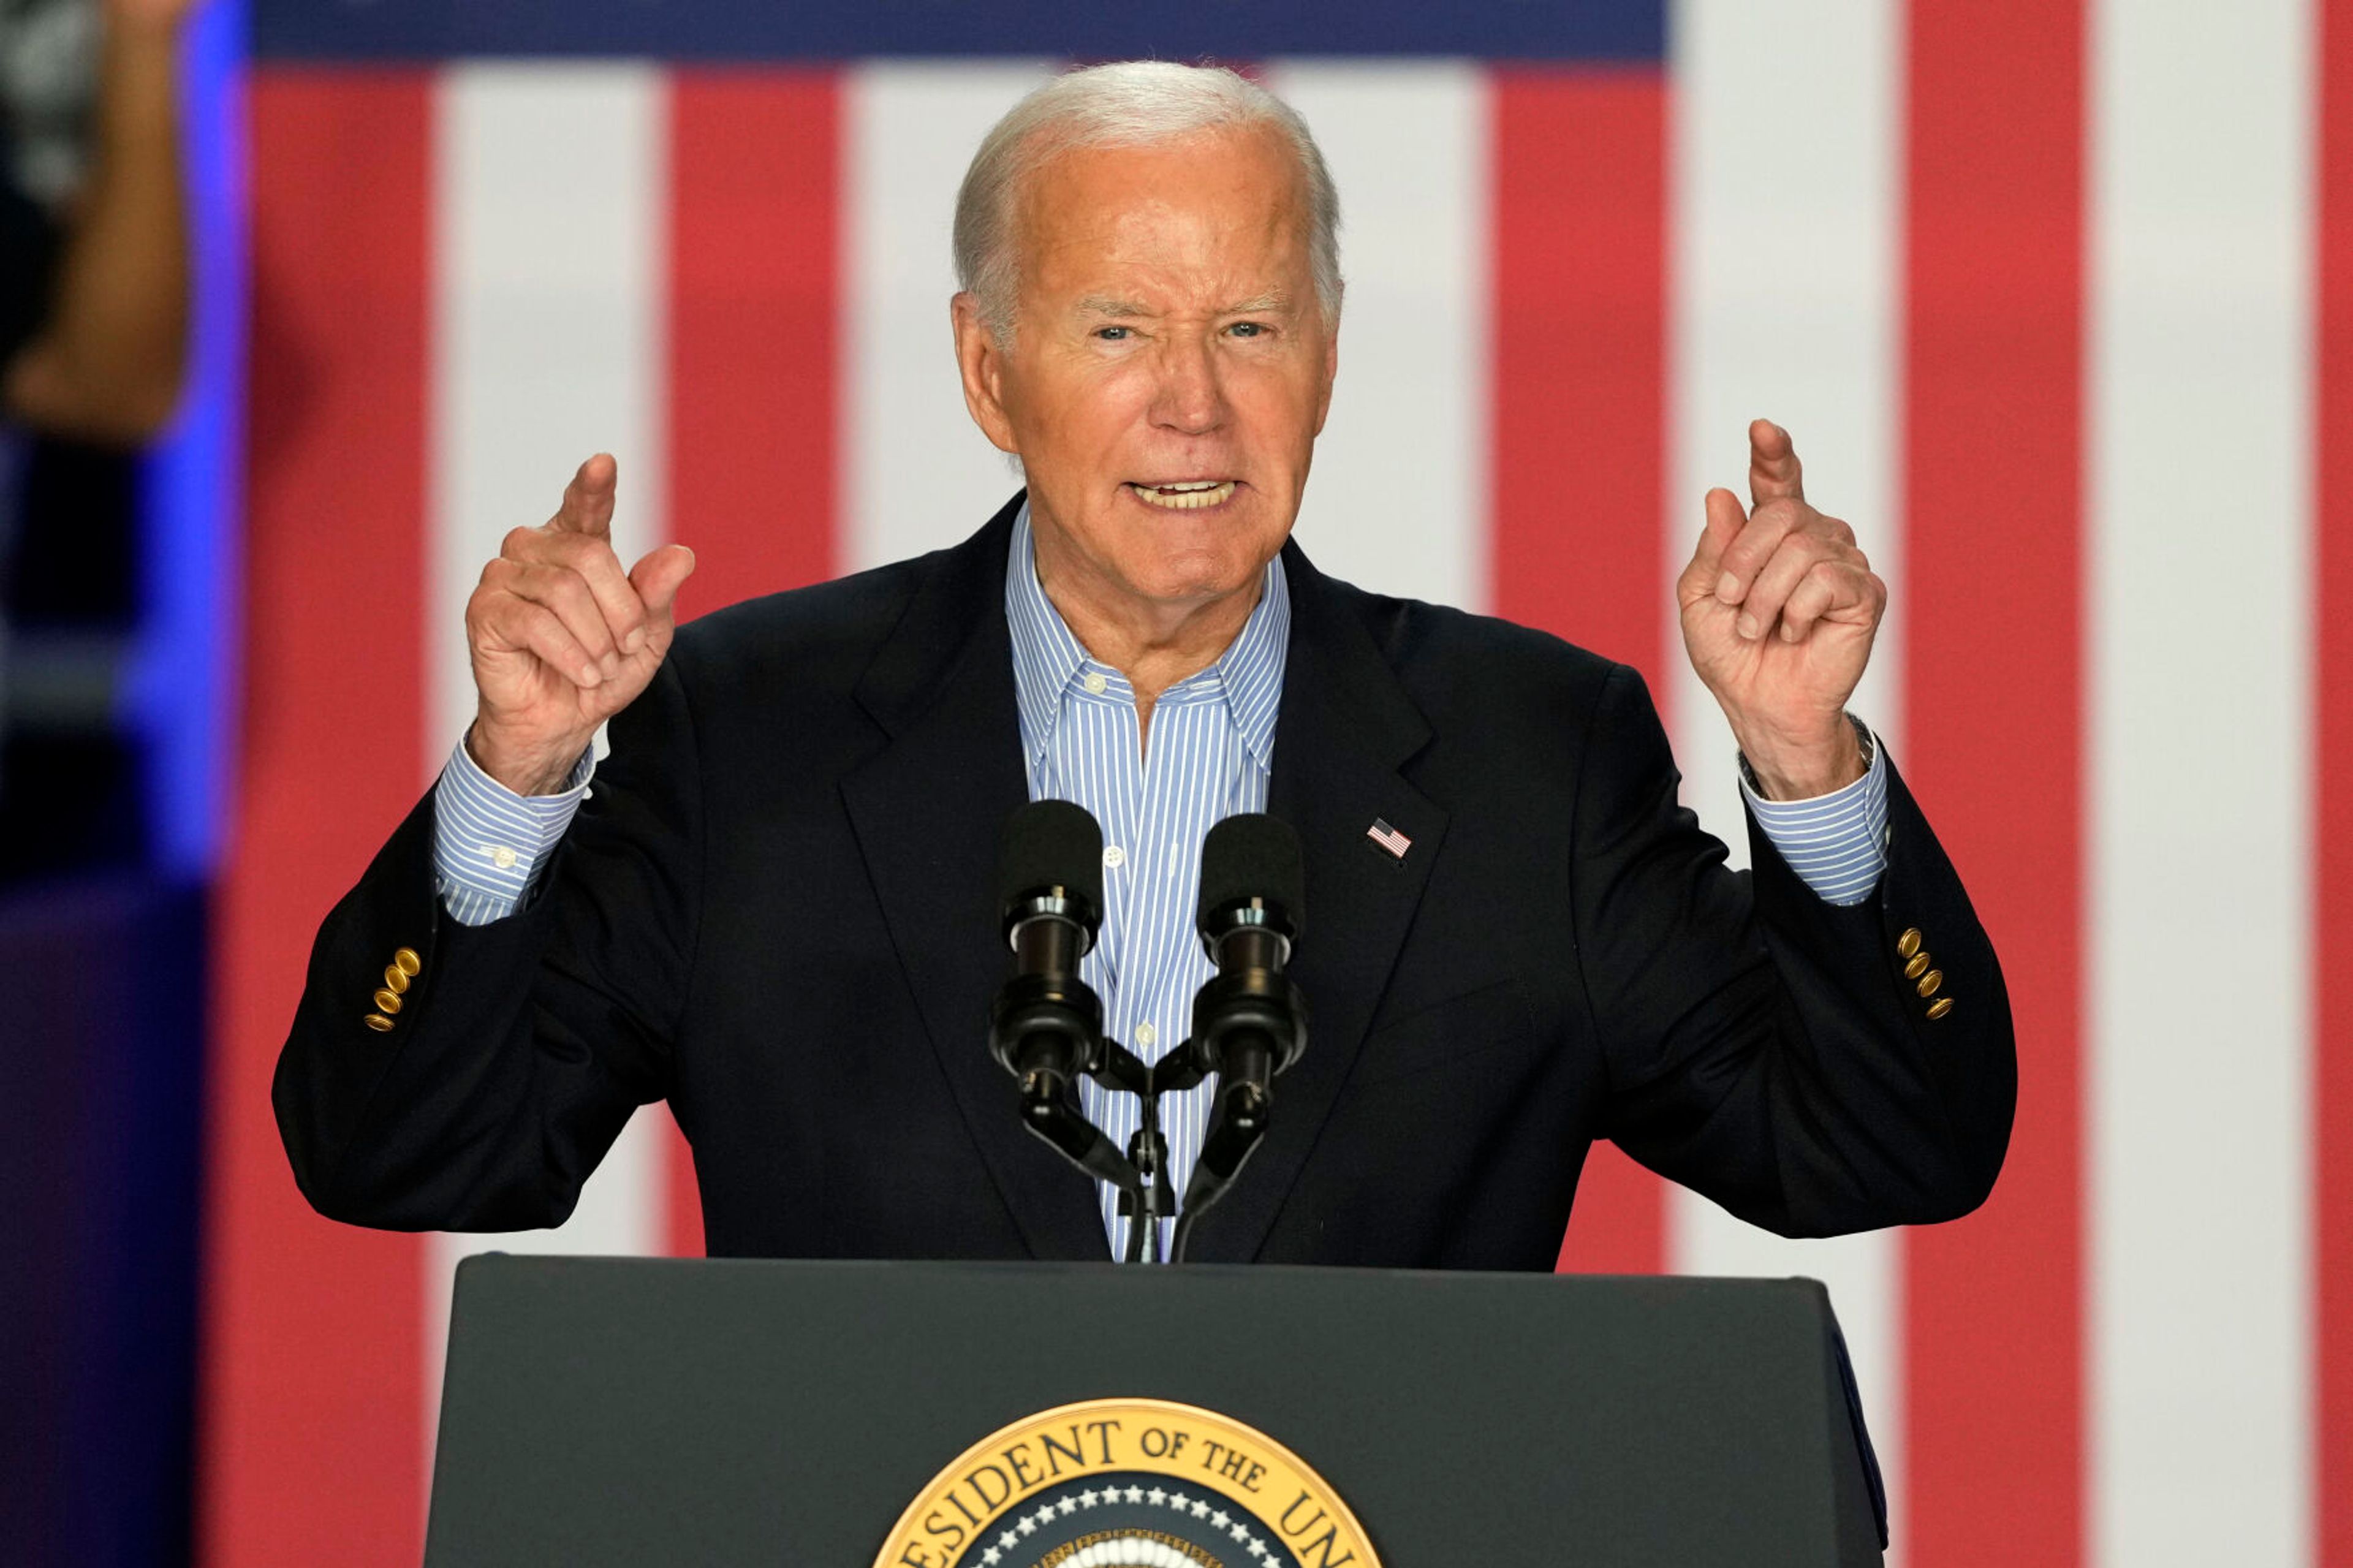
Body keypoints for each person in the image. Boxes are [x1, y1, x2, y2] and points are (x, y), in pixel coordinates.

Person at [273, 62, 2013, 1268]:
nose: (1194, 403)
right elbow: (407, 1154)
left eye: (1249, 328)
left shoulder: (1528, 754)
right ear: (989, 372)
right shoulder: (753, 732)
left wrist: (1808, 769)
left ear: (1324, 362)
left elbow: (1877, 1150)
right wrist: (513, 786)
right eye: (1118, 329)